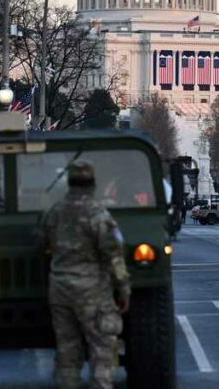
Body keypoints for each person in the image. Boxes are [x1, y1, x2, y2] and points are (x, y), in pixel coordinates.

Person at [36, 161, 130, 389]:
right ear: (92, 184)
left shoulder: (55, 212)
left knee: (67, 352)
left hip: (59, 288)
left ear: (69, 183)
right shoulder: (98, 214)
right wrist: (123, 287)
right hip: (92, 290)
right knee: (103, 349)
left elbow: (41, 243)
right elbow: (113, 254)